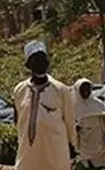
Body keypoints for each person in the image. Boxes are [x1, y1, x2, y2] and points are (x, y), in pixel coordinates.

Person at [12, 40, 77, 170]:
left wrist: (73, 146)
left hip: (55, 153)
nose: (40, 63)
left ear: (47, 63)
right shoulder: (19, 90)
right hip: (27, 153)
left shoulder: (61, 90)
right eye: (36, 60)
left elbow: (70, 122)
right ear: (28, 65)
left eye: (43, 59)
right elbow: (18, 120)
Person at [73, 78, 105, 169]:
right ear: (77, 90)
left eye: (88, 88)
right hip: (81, 145)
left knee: (98, 165)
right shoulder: (72, 106)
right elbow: (67, 124)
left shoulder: (97, 104)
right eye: (83, 88)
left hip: (98, 142)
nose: (85, 91)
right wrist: (74, 128)